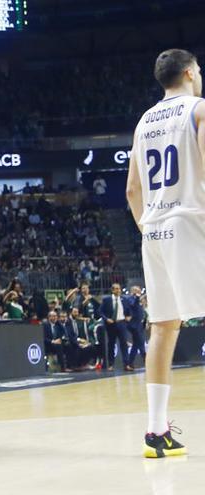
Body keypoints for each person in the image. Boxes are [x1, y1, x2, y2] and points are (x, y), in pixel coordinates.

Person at [126, 48, 203, 458]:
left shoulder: (143, 122)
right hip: (192, 222)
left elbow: (132, 191)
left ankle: (156, 431)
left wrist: (148, 226)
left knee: (164, 327)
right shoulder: (199, 110)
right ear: (190, 73)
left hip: (153, 229)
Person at [100, 283, 133, 371]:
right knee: (111, 345)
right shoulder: (106, 300)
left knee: (124, 345)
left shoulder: (124, 299)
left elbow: (129, 310)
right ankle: (110, 365)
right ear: (112, 290)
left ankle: (126, 364)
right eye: (116, 289)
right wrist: (106, 319)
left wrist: (129, 316)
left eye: (119, 289)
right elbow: (100, 311)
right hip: (111, 324)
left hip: (122, 323)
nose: (118, 290)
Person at [125, 286, 147, 366]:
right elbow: (133, 305)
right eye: (137, 291)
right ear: (133, 291)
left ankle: (130, 362)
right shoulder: (130, 298)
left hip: (139, 324)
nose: (139, 292)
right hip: (133, 325)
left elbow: (141, 311)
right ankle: (145, 358)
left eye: (139, 290)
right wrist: (137, 298)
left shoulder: (140, 300)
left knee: (136, 344)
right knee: (140, 341)